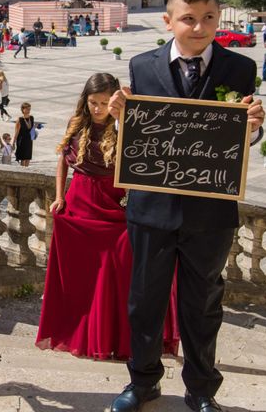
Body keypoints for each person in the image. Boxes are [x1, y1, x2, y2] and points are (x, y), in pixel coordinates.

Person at [107, 0, 265, 412]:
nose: (199, 28)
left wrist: (252, 127)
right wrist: (122, 118)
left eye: (209, 18)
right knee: (144, 300)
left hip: (210, 213)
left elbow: (241, 138)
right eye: (188, 19)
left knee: (203, 303)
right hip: (152, 209)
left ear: (219, 17)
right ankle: (142, 383)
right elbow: (136, 135)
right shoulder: (142, 66)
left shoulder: (240, 70)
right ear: (169, 20)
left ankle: (201, 390)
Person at [36, 73, 179, 361]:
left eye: (104, 102)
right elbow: (62, 163)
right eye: (93, 102)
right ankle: (83, 333)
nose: (99, 108)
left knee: (121, 268)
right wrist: (59, 196)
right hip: (80, 202)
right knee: (84, 273)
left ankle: (122, 336)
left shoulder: (126, 127)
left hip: (115, 204)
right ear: (85, 101)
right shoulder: (76, 124)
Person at [13, 102, 34, 167]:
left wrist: (32, 138)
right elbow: (16, 132)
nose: (28, 110)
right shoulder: (20, 119)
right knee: (23, 158)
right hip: (22, 140)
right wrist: (13, 142)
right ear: (23, 109)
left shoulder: (31, 118)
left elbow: (32, 129)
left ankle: (27, 170)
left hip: (29, 140)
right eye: (27, 109)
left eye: (29, 109)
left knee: (28, 157)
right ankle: (22, 170)